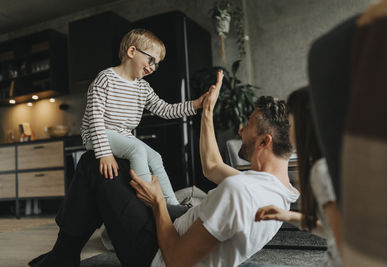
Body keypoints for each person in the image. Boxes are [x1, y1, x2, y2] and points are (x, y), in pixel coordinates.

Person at [29, 71, 299, 267]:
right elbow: (213, 167)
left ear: (265, 141)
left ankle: (63, 255)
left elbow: (177, 261)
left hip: (156, 255)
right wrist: (206, 111)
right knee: (113, 165)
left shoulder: (241, 190)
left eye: (248, 124)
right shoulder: (277, 191)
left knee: (93, 163)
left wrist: (158, 201)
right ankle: (63, 254)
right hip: (182, 224)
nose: (241, 129)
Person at [81, 28, 207, 205]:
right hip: (97, 135)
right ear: (132, 51)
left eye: (157, 64)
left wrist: (196, 104)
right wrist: (105, 154)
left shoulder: (143, 88)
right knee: (137, 150)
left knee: (155, 157)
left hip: (122, 136)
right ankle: (151, 203)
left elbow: (165, 109)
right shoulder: (106, 79)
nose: (153, 67)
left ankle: (173, 207)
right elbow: (95, 119)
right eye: (151, 60)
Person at [255, 87, 342, 267]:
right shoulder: (336, 162)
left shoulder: (321, 171)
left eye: (291, 124)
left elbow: (346, 245)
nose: (288, 131)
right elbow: (335, 231)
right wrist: (288, 216)